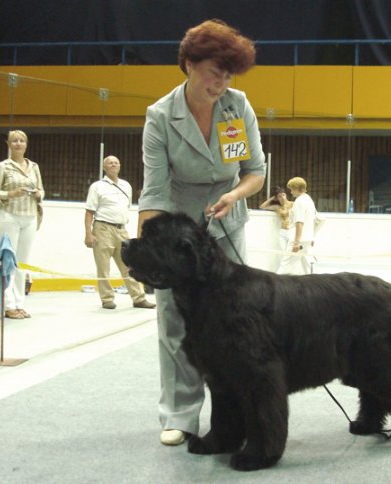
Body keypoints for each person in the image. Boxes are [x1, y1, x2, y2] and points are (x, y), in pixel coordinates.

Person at [137, 19, 265, 446]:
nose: (221, 83)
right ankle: (180, 414)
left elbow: (255, 173)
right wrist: (150, 250)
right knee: (175, 321)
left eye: (229, 75)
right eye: (215, 72)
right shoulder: (160, 116)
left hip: (227, 223)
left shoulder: (237, 105)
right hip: (179, 232)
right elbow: (154, 191)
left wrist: (234, 195)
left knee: (234, 320)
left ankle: (236, 412)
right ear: (189, 64)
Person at [84, 156, 156, 310]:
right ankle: (107, 299)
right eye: (109, 162)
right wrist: (88, 234)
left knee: (129, 265)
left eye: (116, 162)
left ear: (120, 166)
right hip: (102, 229)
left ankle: (139, 298)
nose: (113, 164)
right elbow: (89, 212)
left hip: (122, 229)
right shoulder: (97, 186)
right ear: (104, 167)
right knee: (103, 267)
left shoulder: (126, 186)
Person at [0, 130, 44, 319]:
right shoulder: (2, 166)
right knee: (8, 261)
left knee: (22, 263)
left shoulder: (34, 166)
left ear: (26, 144)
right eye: (14, 141)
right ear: (8, 144)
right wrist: (10, 194)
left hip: (30, 217)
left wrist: (38, 194)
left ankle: (20, 303)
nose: (18, 144)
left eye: (21, 141)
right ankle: (8, 304)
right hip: (9, 216)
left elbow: (42, 190)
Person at [276, 177, 317, 276]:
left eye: (291, 189)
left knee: (284, 266)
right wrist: (311, 237)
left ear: (298, 188)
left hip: (298, 240)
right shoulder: (309, 200)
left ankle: (273, 289)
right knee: (305, 267)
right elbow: (313, 220)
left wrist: (296, 242)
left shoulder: (299, 201)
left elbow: (299, 222)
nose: (290, 191)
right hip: (307, 239)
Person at [259, 186, 293, 268]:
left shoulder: (293, 204)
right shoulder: (277, 207)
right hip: (283, 232)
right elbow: (262, 207)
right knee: (284, 253)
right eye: (279, 196)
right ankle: (286, 270)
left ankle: (286, 270)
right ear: (277, 198)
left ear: (286, 195)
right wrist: (271, 198)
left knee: (290, 253)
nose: (282, 197)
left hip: (292, 231)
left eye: (283, 195)